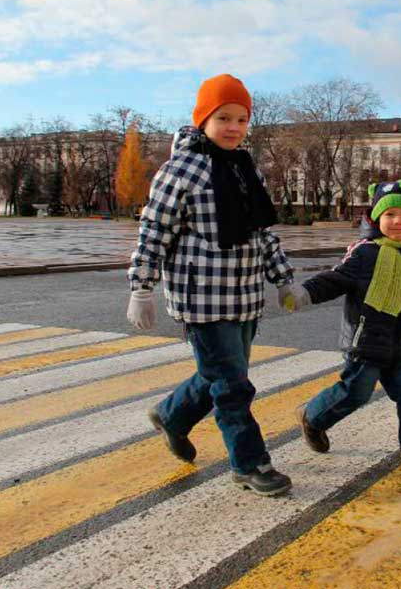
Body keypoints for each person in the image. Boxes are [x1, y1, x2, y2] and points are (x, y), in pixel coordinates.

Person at [126, 73, 296, 497]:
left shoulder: (243, 166)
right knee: (233, 385)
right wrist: (141, 286)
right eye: (224, 117)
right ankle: (250, 463)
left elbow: (262, 233)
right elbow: (154, 229)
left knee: (220, 374)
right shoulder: (180, 169)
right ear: (203, 118)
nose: (234, 127)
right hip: (201, 297)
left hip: (243, 298)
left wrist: (283, 279)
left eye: (241, 119)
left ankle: (172, 416)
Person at [282, 180, 401, 467]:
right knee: (354, 394)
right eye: (390, 214)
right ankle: (312, 416)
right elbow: (336, 279)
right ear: (376, 218)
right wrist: (304, 293)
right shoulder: (365, 252)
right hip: (366, 343)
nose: (399, 221)